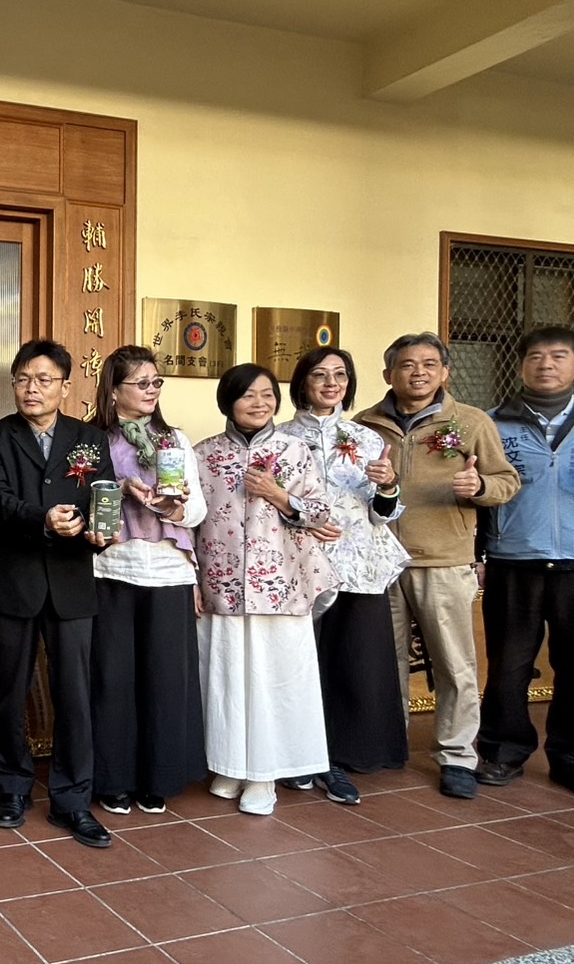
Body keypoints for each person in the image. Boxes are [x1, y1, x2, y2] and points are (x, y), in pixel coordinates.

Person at [354, 333, 519, 799]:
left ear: (446, 372)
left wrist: (479, 486)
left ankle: (457, 755)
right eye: (407, 365)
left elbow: (507, 481)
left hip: (444, 561)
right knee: (383, 663)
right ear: (388, 374)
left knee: (454, 664)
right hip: (379, 562)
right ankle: (388, 742)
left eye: (429, 364)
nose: (418, 373)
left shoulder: (471, 422)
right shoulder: (365, 425)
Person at [0, 339, 114, 848]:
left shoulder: (89, 439)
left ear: (65, 387)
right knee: (8, 691)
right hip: (15, 581)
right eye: (23, 379)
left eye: (44, 379)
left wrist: (101, 530)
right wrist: (44, 520)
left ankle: (72, 800)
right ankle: (12, 787)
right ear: (13, 384)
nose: (32, 388)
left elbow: (104, 496)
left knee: (74, 694)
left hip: (72, 582)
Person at [194, 363, 336, 817]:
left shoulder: (294, 450)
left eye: (268, 395)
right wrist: (192, 576)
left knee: (273, 681)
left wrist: (278, 495)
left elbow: (321, 513)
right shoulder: (203, 454)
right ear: (228, 402)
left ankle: (264, 775)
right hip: (220, 586)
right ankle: (231, 764)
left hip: (280, 585)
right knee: (225, 678)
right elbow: (189, 523)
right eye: (248, 395)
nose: (260, 403)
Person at [279, 347, 410, 805]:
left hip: (357, 565)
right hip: (297, 566)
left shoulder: (367, 439)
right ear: (303, 381)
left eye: (340, 375)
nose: (331, 383)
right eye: (320, 374)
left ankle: (346, 753)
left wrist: (388, 485)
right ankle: (301, 753)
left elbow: (383, 513)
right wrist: (302, 517)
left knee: (354, 661)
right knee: (301, 664)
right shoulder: (280, 438)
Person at [89, 346, 206, 816]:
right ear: (114, 390)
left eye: (157, 382)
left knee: (166, 678)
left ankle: (158, 777)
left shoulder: (175, 439)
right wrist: (119, 490)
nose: (152, 390)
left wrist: (173, 508)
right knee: (113, 678)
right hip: (112, 568)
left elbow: (197, 510)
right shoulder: (93, 439)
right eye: (141, 383)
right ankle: (114, 778)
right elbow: (80, 499)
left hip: (168, 571)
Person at [476, 326, 574, 792]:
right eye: (535, 356)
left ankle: (569, 754)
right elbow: (476, 493)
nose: (546, 365)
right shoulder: (492, 424)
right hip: (512, 560)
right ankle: (502, 751)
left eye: (558, 356)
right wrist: (478, 553)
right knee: (508, 664)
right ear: (520, 365)